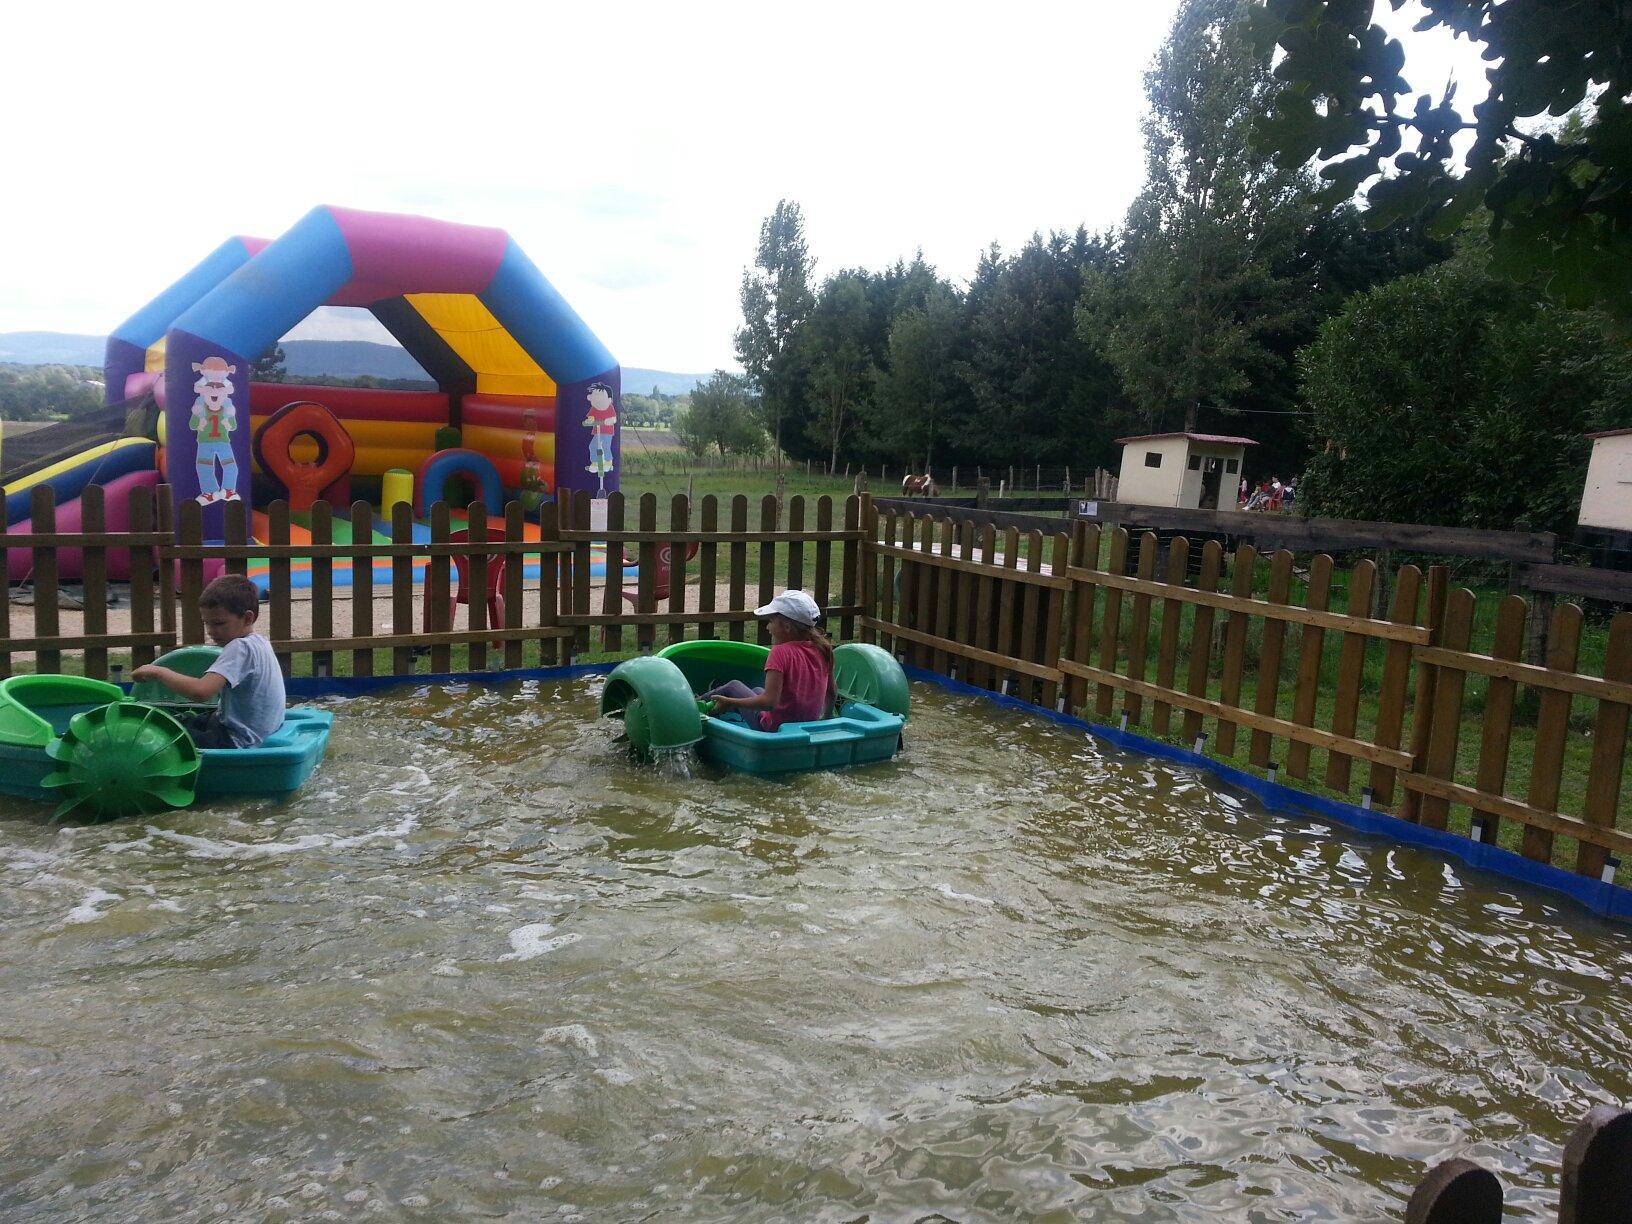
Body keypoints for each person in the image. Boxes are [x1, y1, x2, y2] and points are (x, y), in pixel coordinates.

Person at [130, 574, 285, 749]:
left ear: (248, 618)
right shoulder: (261, 642)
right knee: (179, 722)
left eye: (219, 623)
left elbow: (201, 692)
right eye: (207, 623)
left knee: (160, 736)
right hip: (254, 731)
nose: (211, 631)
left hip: (237, 740)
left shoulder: (239, 648)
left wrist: (159, 672)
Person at [704, 590, 836, 731]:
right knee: (757, 690)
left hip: (774, 729)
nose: (768, 627)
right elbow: (832, 691)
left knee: (733, 686)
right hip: (806, 727)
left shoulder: (780, 652)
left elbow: (769, 703)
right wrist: (825, 718)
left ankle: (695, 705)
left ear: (787, 627)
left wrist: (731, 702)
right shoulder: (823, 649)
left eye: (771, 622)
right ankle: (721, 704)